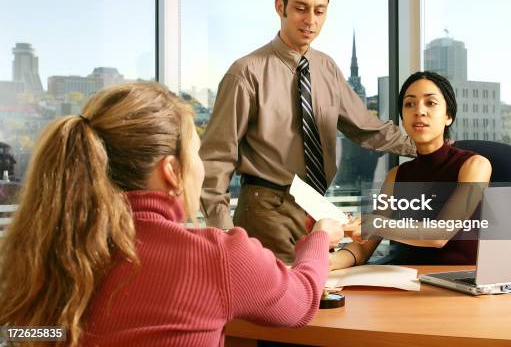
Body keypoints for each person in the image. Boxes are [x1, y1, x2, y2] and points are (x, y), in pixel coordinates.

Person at [0, 82, 344, 346]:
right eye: (196, 152)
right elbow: (302, 302)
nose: (203, 167)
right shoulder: (216, 257)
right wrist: (319, 239)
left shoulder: (37, 258)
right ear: (171, 170)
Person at [200, 0, 416, 263]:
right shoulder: (246, 73)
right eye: (301, 9)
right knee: (281, 302)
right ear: (281, 7)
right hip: (265, 209)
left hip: (314, 207)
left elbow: (366, 128)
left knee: (317, 295)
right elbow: (215, 161)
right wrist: (225, 237)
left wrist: (426, 146)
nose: (311, 21)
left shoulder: (326, 68)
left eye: (319, 11)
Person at [329, 71, 492, 270]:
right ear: (403, 119)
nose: (419, 111)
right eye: (409, 104)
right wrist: (322, 264)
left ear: (448, 116)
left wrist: (376, 224)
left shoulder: (475, 165)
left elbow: (440, 234)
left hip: (459, 286)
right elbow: (364, 248)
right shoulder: (396, 176)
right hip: (407, 283)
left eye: (430, 103)